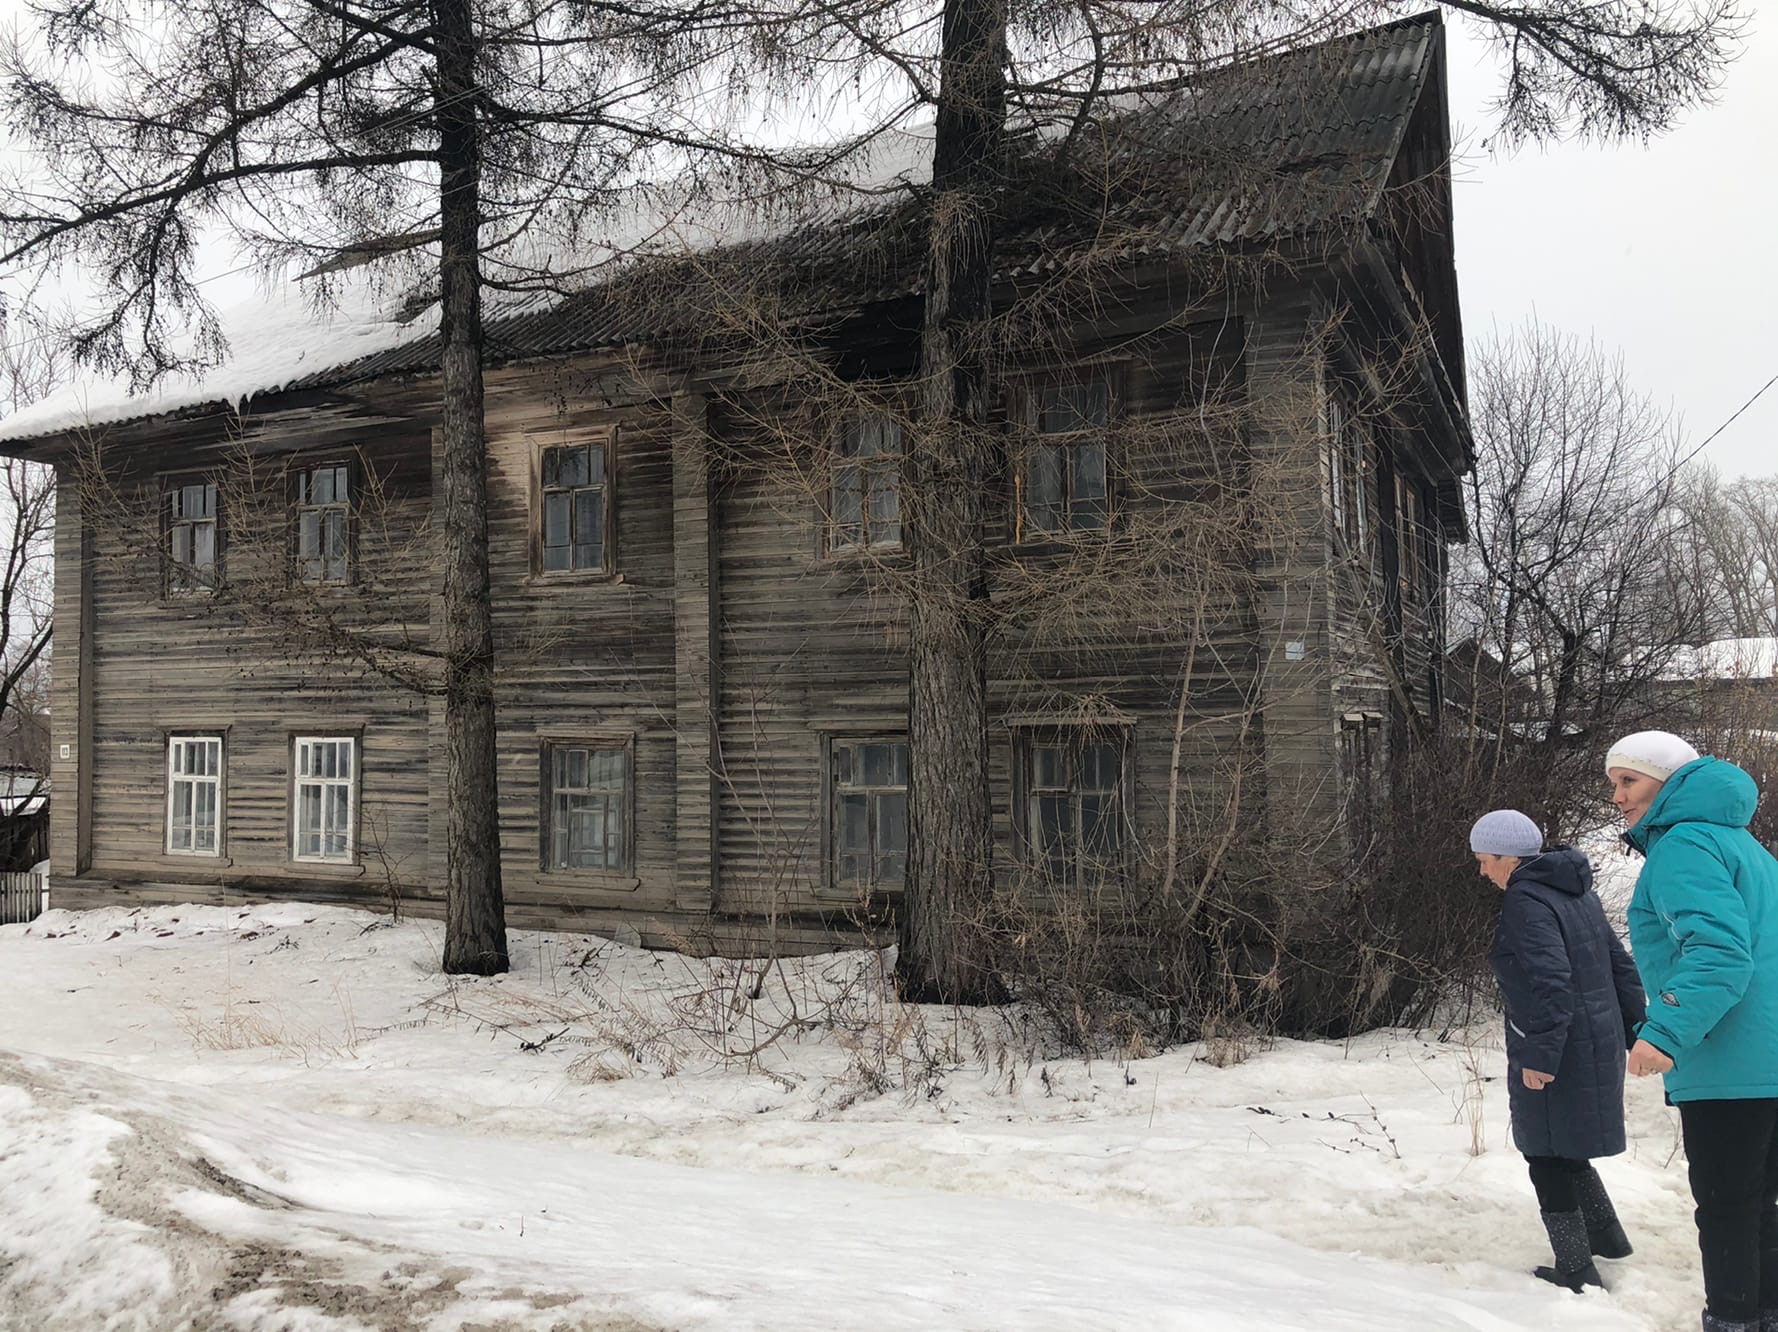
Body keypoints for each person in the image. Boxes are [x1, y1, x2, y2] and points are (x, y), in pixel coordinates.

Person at [1609, 730, 1778, 1332]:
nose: (1619, 797)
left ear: (1668, 780)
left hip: (1729, 1061)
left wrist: (1665, 1031)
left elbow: (1719, 954)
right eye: (1614, 784)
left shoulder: (1683, 845)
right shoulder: (1743, 845)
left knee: (1729, 1208)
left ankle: (1732, 1322)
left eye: (1629, 781)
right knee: (1761, 1208)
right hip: (1764, 1060)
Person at [1470, 808, 1646, 1293]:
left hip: (1560, 1045)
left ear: (1509, 857)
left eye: (1485, 861)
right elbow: (1620, 965)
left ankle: (1574, 1268)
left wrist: (1540, 1060)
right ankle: (1606, 1239)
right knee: (1563, 1144)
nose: (1483, 872)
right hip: (1593, 1036)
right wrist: (1636, 1030)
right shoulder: (1572, 889)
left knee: (1543, 1152)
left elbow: (1551, 983)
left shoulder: (1527, 899)